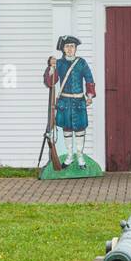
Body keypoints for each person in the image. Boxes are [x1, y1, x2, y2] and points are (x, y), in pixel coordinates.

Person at [43, 35, 95, 168]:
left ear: (76, 48)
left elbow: (89, 79)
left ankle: (80, 156)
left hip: (79, 102)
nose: (70, 49)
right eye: (67, 46)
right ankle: (70, 156)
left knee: (80, 130)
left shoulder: (82, 63)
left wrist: (89, 96)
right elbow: (51, 82)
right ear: (63, 49)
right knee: (67, 130)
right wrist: (52, 68)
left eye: (72, 46)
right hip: (65, 102)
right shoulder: (59, 63)